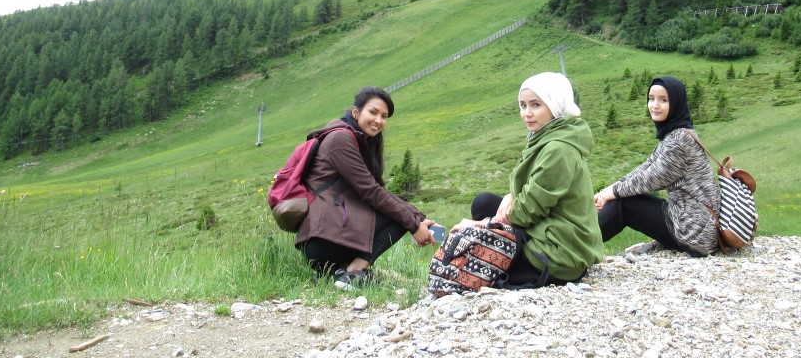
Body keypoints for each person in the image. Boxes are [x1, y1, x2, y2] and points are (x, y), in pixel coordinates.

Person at [454, 72, 604, 286]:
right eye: (523, 105)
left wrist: (481, 226)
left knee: (472, 270)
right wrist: (510, 196)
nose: (527, 113)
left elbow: (528, 211)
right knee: (484, 202)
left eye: (536, 105)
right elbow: (534, 189)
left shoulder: (558, 149)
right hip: (548, 229)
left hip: (559, 253)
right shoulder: (548, 136)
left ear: (555, 105)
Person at [295, 86, 436, 286]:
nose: (378, 120)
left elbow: (378, 190)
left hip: (330, 233)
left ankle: (340, 272)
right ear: (356, 112)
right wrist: (413, 224)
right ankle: (353, 273)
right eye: (373, 112)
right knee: (399, 217)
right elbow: (371, 191)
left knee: (402, 214)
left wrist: (418, 217)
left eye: (384, 116)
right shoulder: (340, 139)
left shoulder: (358, 141)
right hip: (323, 238)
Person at [593, 75, 720, 256]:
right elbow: (647, 166)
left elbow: (649, 179)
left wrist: (612, 193)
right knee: (622, 196)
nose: (655, 105)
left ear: (675, 103)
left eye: (663, 100)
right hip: (697, 224)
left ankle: (574, 249)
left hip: (695, 232)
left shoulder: (679, 142)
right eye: (651, 99)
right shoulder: (676, 134)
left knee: (623, 204)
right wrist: (609, 189)